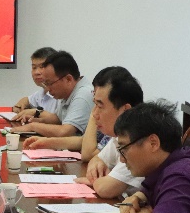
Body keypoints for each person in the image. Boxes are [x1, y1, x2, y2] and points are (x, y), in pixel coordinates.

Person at [26, 67, 145, 199]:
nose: (94, 113)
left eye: (100, 106)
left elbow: (106, 189)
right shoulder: (119, 137)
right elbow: (95, 158)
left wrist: (97, 181)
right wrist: (99, 167)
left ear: (125, 110)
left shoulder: (138, 140)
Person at [14, 50, 94, 138]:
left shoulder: (83, 95)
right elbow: (58, 119)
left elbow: (64, 132)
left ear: (68, 79)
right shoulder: (67, 92)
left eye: (50, 83)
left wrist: (33, 126)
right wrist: (36, 121)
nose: (48, 89)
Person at [11, 46, 59, 116]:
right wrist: (19, 107)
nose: (37, 72)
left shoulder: (61, 94)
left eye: (42, 67)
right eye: (34, 67)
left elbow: (58, 120)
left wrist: (35, 112)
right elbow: (26, 100)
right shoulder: (43, 92)